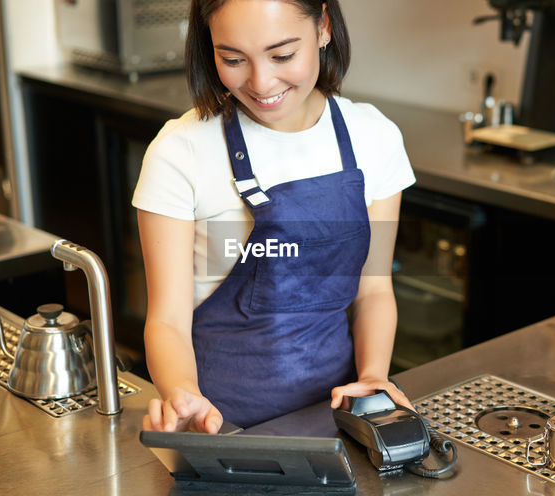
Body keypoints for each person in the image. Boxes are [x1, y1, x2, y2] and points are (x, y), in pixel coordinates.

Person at [132, 0, 416, 433]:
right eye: (232, 59)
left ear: (323, 26)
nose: (261, 82)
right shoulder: (180, 151)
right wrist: (182, 393)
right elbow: (167, 320)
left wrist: (373, 376)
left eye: (282, 54)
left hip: (337, 420)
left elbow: (373, 291)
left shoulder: (374, 137)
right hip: (220, 425)